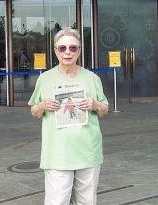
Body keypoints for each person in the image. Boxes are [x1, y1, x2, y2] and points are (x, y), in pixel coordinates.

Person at [28, 28, 109, 205]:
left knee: (87, 201)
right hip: (57, 155)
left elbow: (105, 110)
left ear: (79, 50)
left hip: (88, 152)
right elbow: (34, 111)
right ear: (55, 50)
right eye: (62, 48)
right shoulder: (45, 79)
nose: (67, 52)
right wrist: (43, 105)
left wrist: (95, 105)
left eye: (73, 48)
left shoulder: (92, 78)